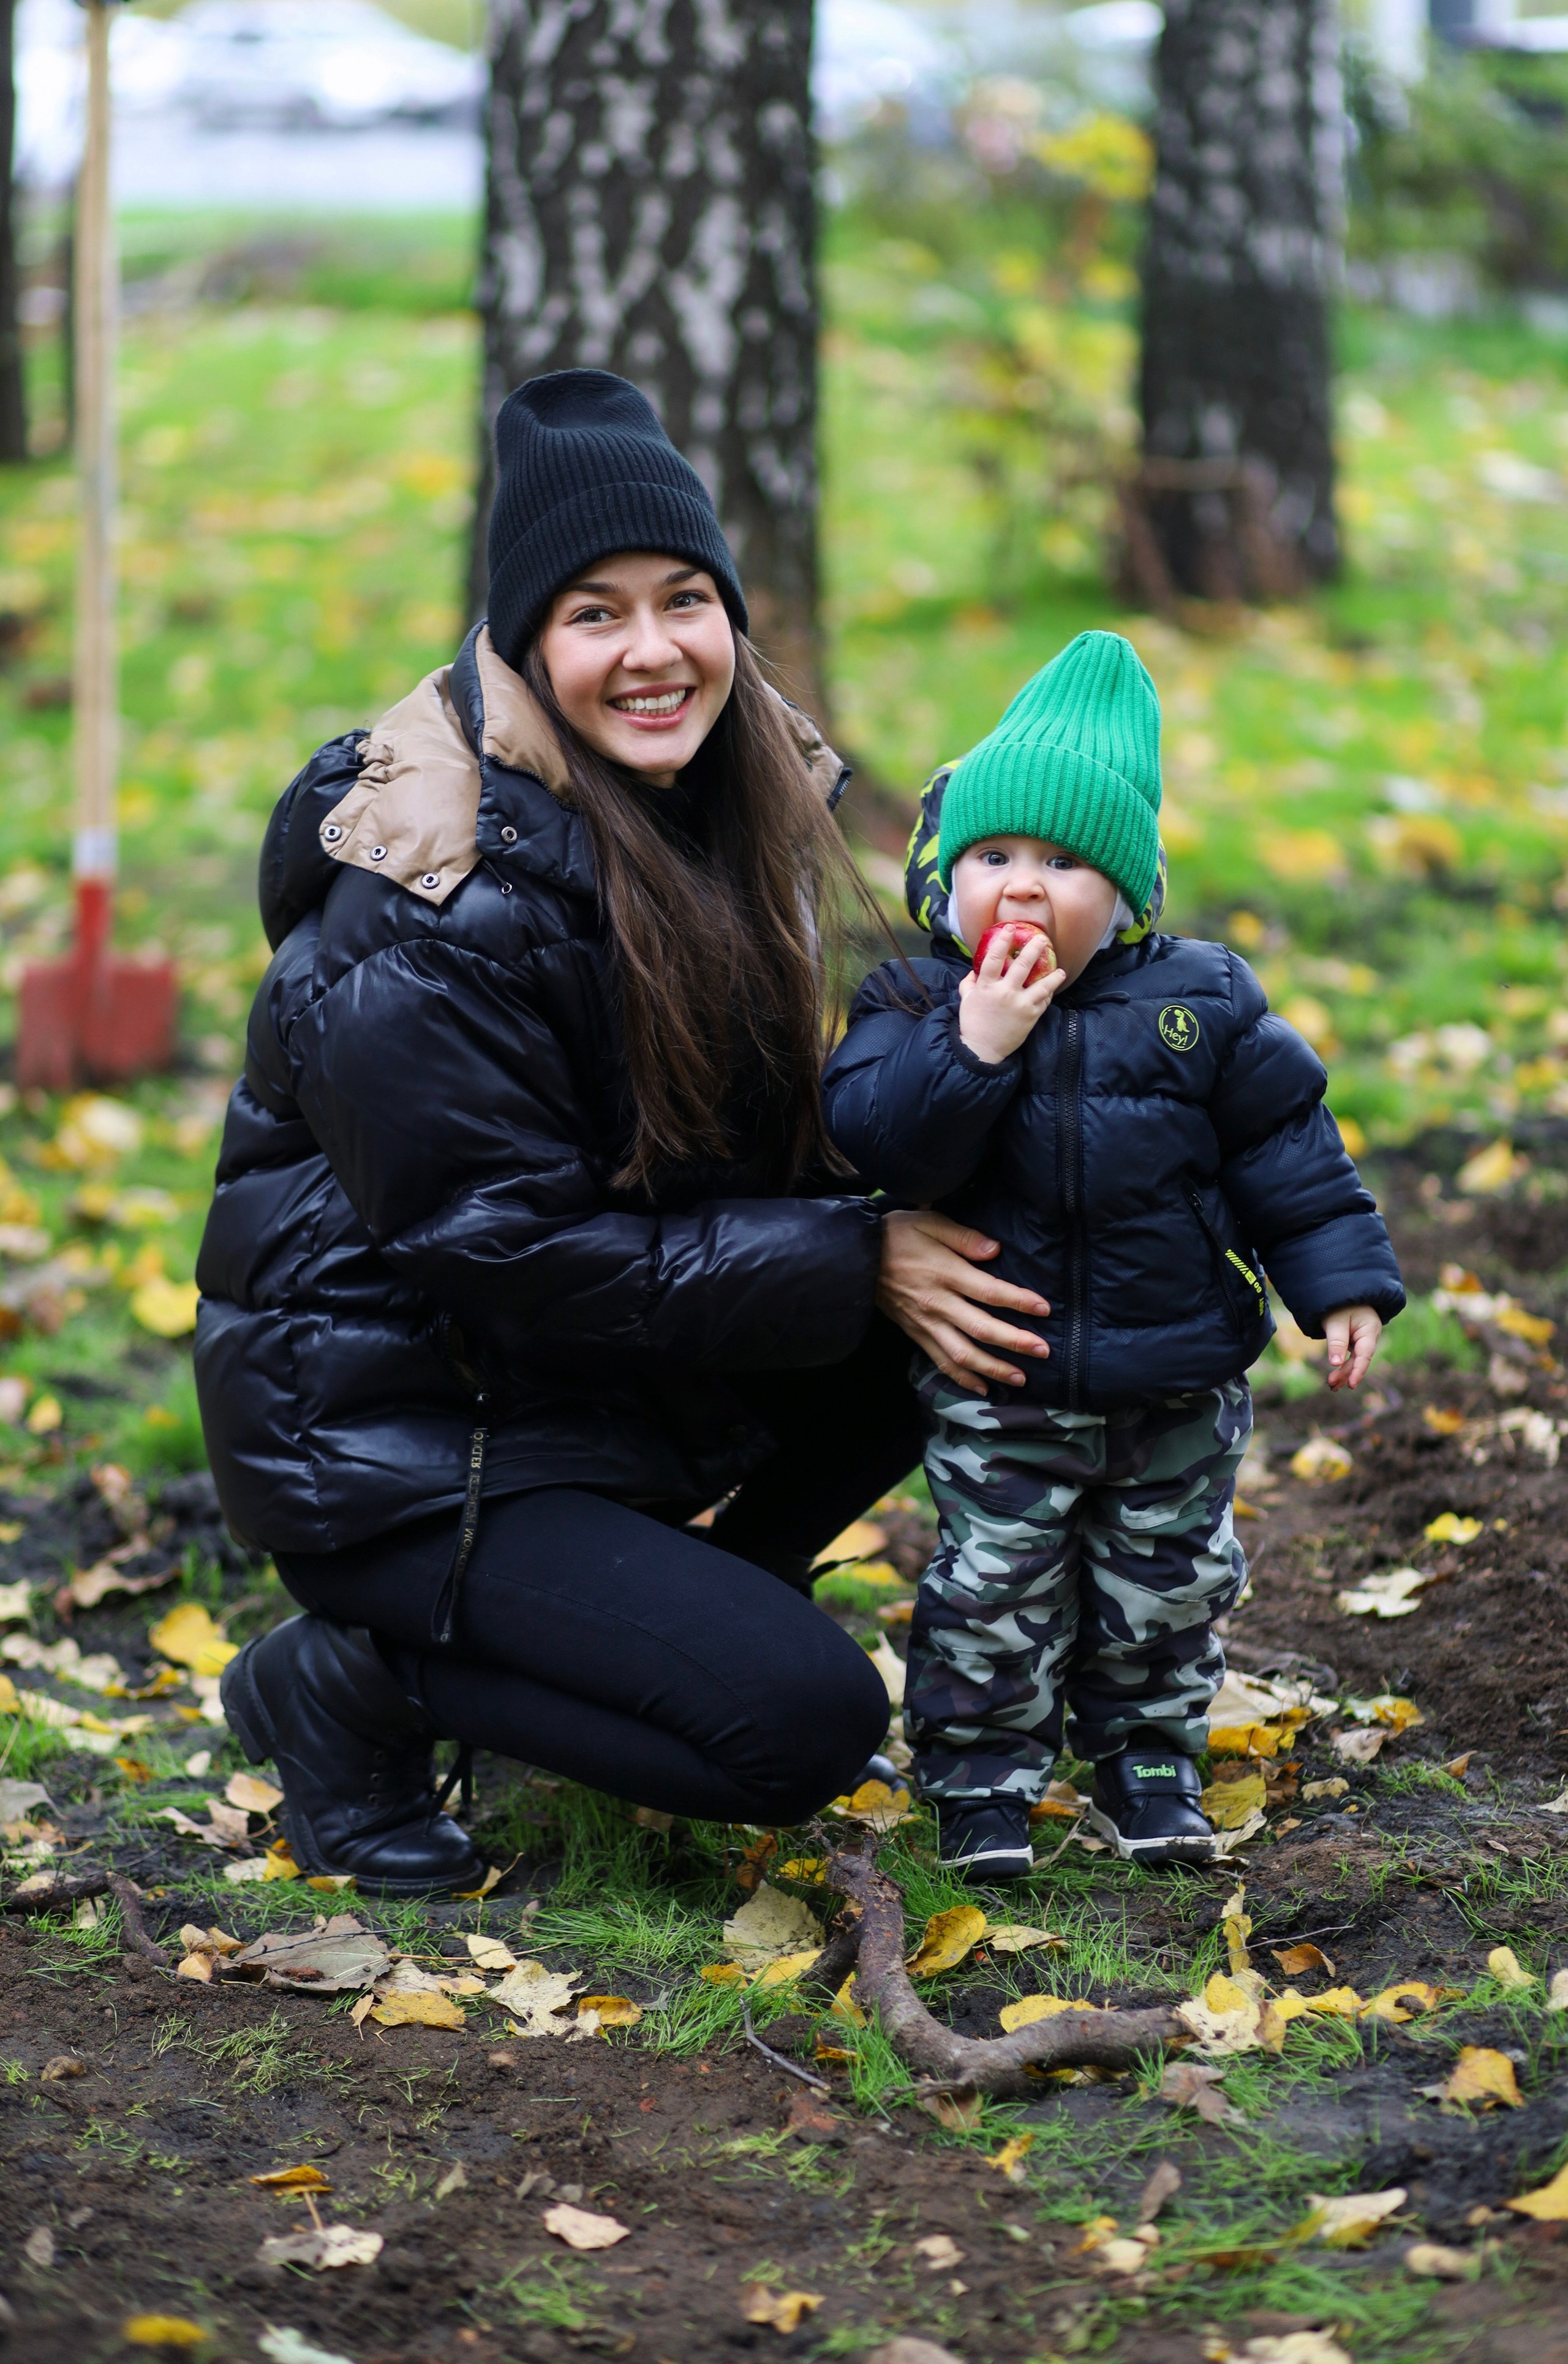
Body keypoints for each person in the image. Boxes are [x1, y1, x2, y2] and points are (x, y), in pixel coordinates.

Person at [195, 368, 1055, 1893]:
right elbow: (507, 1249)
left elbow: (757, 1151)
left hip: (577, 1383)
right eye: (595, 613)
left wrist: (981, 1080)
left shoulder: (718, 797)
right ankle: (349, 1680)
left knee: (990, 1295)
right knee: (799, 1729)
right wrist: (851, 1259)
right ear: (528, 640)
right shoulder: (424, 899)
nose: (653, 652)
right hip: (403, 1441)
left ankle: (643, 1639)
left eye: (684, 600)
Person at [821, 629, 1405, 1879]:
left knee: (1169, 1584)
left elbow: (1284, 1150)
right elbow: (882, 1149)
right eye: (991, 856)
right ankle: (980, 1779)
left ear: (1128, 892)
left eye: (1063, 861)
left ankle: (1149, 1758)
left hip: (1178, 1377)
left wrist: (1340, 1279)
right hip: (1003, 1379)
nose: (1021, 887)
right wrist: (973, 1048)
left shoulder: (1202, 1004)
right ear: (943, 879)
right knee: (992, 1588)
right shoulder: (912, 1007)